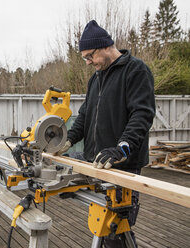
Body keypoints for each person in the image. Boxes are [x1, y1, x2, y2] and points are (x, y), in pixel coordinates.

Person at [56, 20, 156, 247]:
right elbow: (84, 116)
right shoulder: (96, 78)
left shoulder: (136, 71)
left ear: (104, 46)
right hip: (97, 162)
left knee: (117, 230)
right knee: (100, 223)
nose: (88, 62)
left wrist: (122, 148)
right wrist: (68, 140)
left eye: (89, 56)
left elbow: (142, 115)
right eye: (85, 58)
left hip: (122, 166)